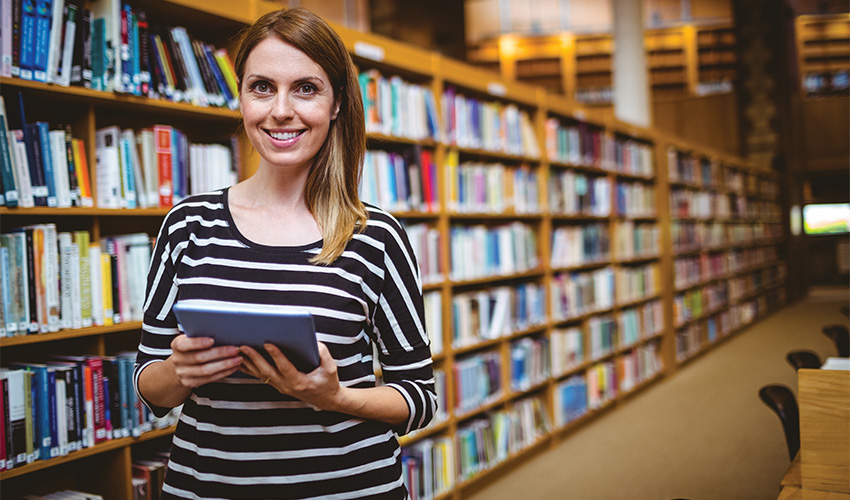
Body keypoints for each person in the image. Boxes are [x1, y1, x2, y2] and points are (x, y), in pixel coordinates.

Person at [134, 7, 437, 500]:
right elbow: (149, 386)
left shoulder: (376, 235)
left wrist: (334, 397)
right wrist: (179, 372)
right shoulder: (188, 226)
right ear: (241, 97)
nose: (280, 110)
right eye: (261, 87)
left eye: (306, 88)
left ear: (336, 103)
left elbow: (420, 399)